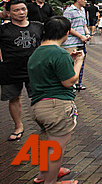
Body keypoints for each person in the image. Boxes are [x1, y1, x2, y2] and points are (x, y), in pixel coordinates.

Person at [28, 16, 83, 184]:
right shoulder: (59, 53)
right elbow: (68, 81)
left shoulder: (36, 53)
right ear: (66, 34)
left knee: (47, 146)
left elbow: (50, 73)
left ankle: (42, 176)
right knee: (56, 151)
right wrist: (79, 61)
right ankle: (50, 181)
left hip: (39, 107)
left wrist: (69, 61)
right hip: (57, 107)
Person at [0, 0, 43, 141]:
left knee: (40, 98)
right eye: (16, 10)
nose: (21, 13)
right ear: (8, 13)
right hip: (10, 70)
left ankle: (44, 124)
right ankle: (18, 126)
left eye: (23, 9)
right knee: (14, 98)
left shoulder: (37, 26)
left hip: (34, 69)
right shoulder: (3, 29)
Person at [61, 0, 91, 91]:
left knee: (80, 63)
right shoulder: (69, 11)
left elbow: (84, 25)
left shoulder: (82, 10)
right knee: (70, 64)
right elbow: (67, 27)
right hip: (71, 42)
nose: (86, 2)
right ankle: (70, 85)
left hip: (81, 42)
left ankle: (78, 83)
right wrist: (81, 36)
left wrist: (87, 34)